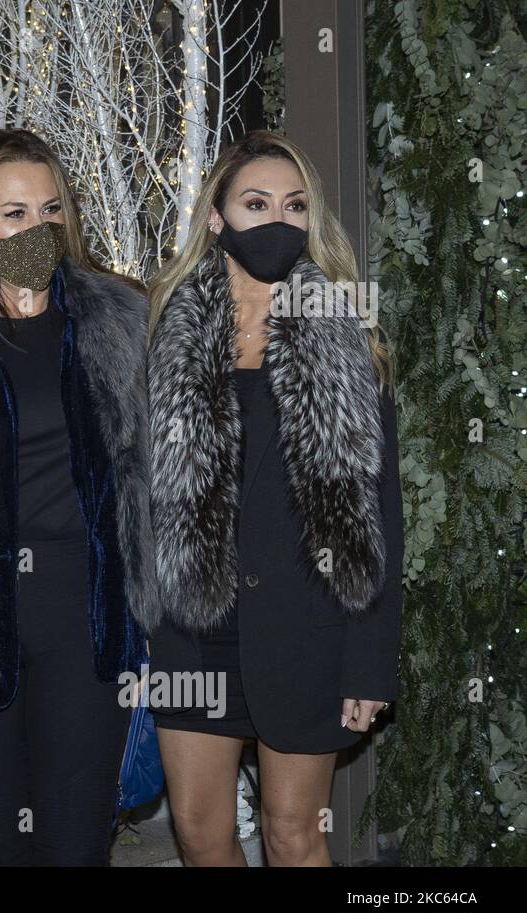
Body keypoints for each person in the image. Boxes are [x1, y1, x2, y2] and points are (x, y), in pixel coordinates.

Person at [145, 130, 402, 866]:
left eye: (294, 206)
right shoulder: (166, 335)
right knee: (201, 837)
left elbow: (381, 516)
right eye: (256, 204)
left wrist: (368, 663)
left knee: (294, 838)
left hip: (307, 629)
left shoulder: (350, 341)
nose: (278, 221)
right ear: (217, 219)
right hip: (193, 627)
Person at [0, 128, 161, 865]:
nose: (37, 230)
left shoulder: (120, 320)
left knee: (76, 844)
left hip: (88, 614)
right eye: (14, 214)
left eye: (51, 212)